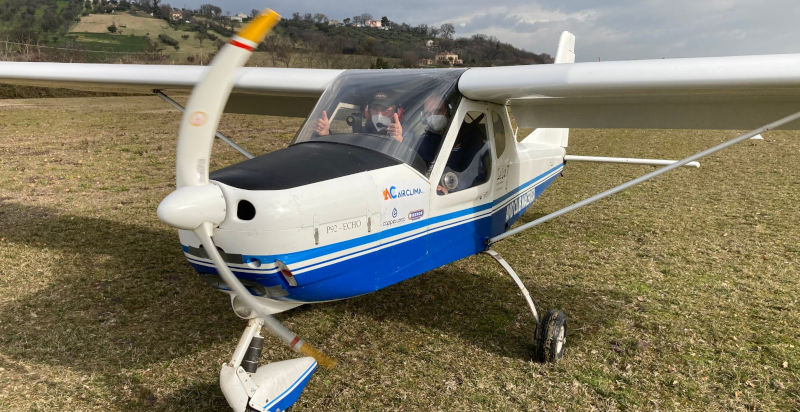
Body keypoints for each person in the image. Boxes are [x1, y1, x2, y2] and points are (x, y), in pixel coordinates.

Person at [314, 91, 403, 142]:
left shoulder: (407, 135)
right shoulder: (362, 132)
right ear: (368, 112)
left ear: (396, 113)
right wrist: (325, 134)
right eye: (375, 108)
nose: (379, 114)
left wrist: (398, 141)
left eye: (385, 109)